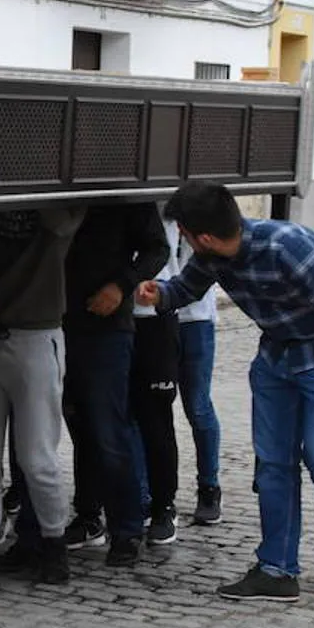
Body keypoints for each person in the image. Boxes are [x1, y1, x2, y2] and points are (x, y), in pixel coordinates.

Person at [136, 181, 314, 602]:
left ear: (201, 235)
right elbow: (185, 289)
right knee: (273, 465)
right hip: (276, 361)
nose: (180, 237)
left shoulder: (290, 246)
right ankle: (277, 570)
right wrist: (159, 293)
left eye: (182, 230)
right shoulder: (212, 255)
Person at [0, 206, 83, 590]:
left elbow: (60, 219)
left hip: (35, 334)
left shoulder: (59, 202)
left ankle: (52, 542)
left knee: (38, 458)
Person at [61, 203, 170, 566]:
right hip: (54, 320)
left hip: (105, 327)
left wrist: (122, 285)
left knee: (110, 429)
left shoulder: (125, 192)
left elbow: (158, 248)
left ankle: (126, 528)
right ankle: (88, 515)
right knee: (77, 426)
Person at [130, 213, 183, 547]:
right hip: (115, 318)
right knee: (121, 417)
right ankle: (136, 499)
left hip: (157, 318)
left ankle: (164, 504)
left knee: (157, 420)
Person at [173, 223, 224, 526]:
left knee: (198, 406)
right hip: (157, 319)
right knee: (153, 411)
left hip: (196, 321)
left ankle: (209, 486)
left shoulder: (202, 222)